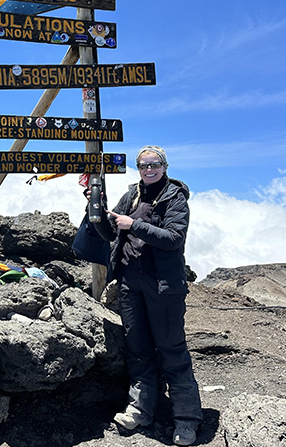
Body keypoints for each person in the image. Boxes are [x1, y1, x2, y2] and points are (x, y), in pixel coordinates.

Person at [92, 145, 202, 446]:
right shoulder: (132, 195)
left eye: (154, 164)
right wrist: (94, 203)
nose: (148, 169)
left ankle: (187, 420)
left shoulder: (174, 196)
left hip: (164, 285)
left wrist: (135, 225)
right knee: (137, 349)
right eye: (143, 165)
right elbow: (111, 229)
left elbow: (174, 239)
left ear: (164, 166)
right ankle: (140, 409)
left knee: (171, 350)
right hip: (131, 282)